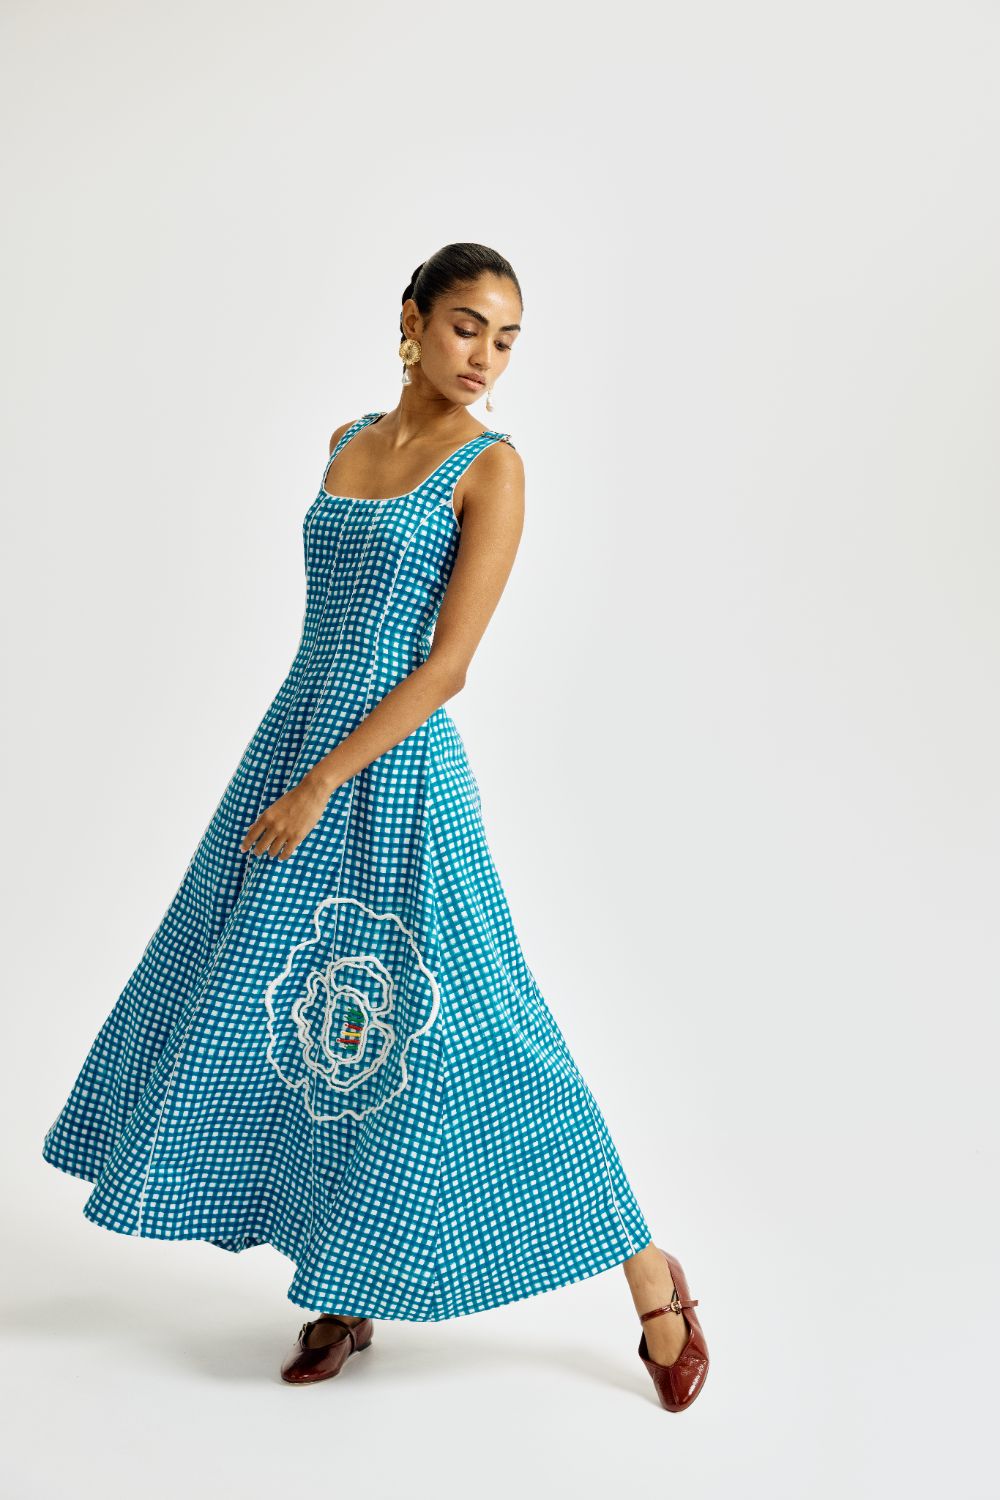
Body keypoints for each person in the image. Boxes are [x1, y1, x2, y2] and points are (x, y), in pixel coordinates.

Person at [41, 241, 708, 1412]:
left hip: (394, 777)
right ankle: (346, 1283)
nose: (485, 357)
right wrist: (295, 774)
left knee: (482, 1025)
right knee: (301, 1017)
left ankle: (650, 1273)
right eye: (465, 327)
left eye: (506, 339)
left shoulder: (492, 467)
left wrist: (318, 786)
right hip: (294, 739)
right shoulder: (346, 441)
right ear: (412, 318)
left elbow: (447, 669)